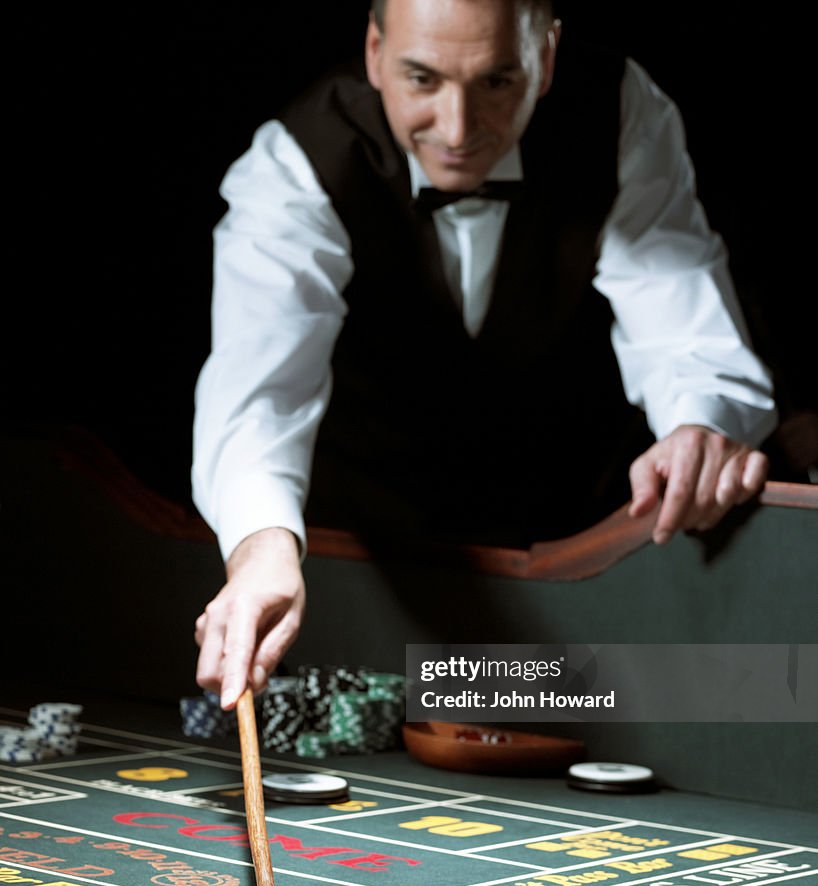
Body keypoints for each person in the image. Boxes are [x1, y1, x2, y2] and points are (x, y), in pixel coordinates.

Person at [192, 0, 776, 709]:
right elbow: (260, 392)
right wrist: (261, 552)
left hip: (580, 564)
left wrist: (699, 426)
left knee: (747, 695)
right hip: (370, 570)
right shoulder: (299, 159)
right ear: (375, 52)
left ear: (548, 56)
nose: (459, 129)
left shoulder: (618, 111)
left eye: (498, 82)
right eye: (422, 79)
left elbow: (685, 326)